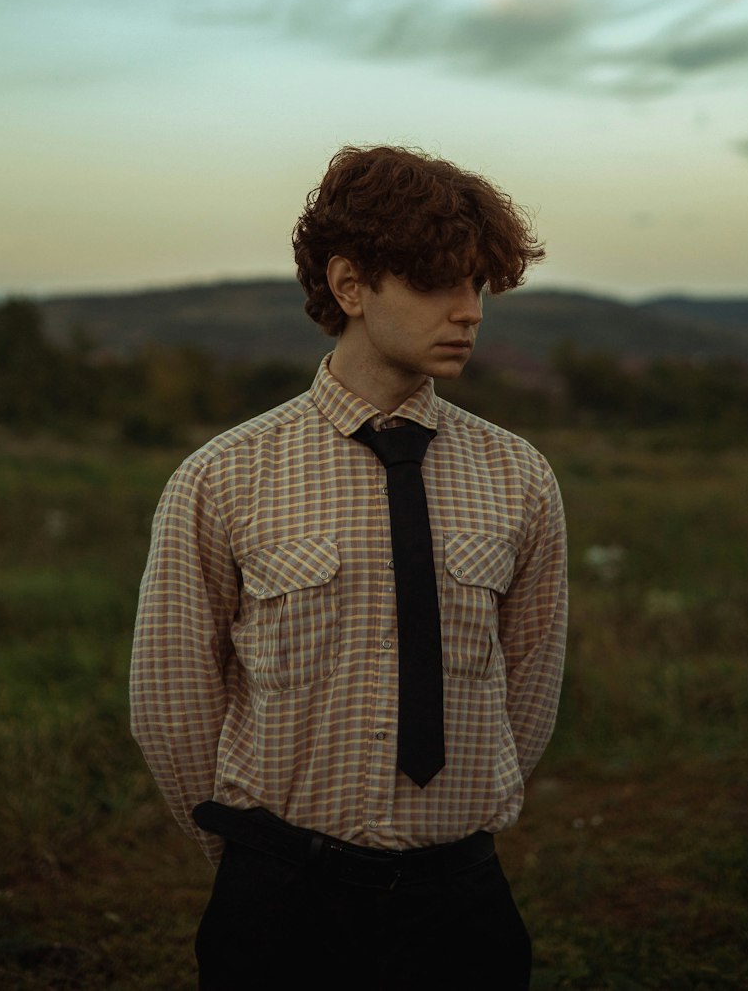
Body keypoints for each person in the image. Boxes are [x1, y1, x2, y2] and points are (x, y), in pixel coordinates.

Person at [130, 144, 568, 991]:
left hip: (461, 903)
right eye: (440, 281)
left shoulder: (519, 477)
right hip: (282, 903)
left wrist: (453, 822)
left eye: (478, 284)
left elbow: (532, 684)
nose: (470, 311)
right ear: (351, 286)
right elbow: (173, 703)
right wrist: (258, 860)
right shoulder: (223, 477)